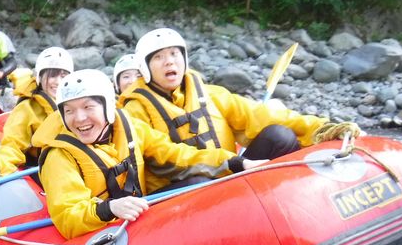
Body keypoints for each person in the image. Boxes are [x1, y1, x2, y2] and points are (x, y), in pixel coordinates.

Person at [118, 27, 358, 193]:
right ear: (145, 68)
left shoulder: (211, 94)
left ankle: (296, 197)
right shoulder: (134, 111)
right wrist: (231, 162)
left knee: (279, 136)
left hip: (229, 173)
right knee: (197, 182)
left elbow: (262, 115)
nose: (169, 61)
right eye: (159, 57)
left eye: (174, 54)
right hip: (178, 191)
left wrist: (322, 128)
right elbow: (166, 157)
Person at [32, 69, 253, 240]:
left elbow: (176, 154)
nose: (79, 118)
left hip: (140, 217)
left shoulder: (130, 127)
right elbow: (68, 217)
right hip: (104, 233)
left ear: (107, 106)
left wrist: (233, 162)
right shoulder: (58, 157)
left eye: (88, 107)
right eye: (69, 110)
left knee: (198, 183)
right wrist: (110, 208)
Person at [0, 47, 74, 180]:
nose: (58, 82)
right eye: (52, 75)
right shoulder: (27, 108)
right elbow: (12, 145)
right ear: (40, 77)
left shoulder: (76, 104)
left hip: (72, 164)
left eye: (63, 76)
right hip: (46, 168)